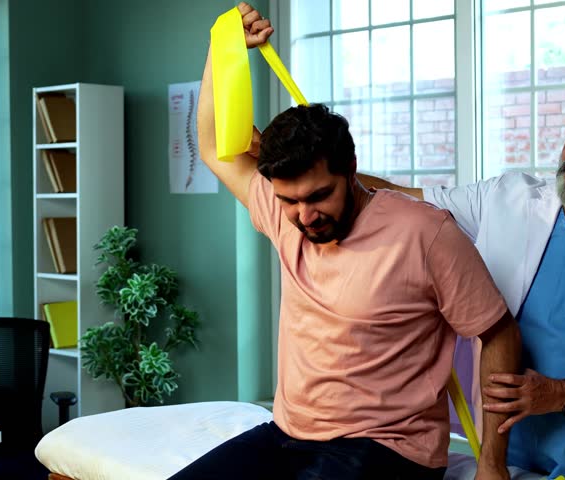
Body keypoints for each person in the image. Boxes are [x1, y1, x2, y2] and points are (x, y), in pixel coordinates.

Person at [169, 3, 522, 480]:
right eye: (290, 200)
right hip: (288, 434)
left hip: (386, 447)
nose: (304, 216)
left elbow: (498, 332)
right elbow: (213, 146)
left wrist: (492, 465)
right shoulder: (283, 213)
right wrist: (223, 44)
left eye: (319, 196)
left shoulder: (426, 233)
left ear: (351, 171)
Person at [361, 93, 565, 480]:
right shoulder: (507, 198)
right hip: (504, 449)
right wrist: (309, 167)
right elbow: (392, 198)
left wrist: (562, 394)